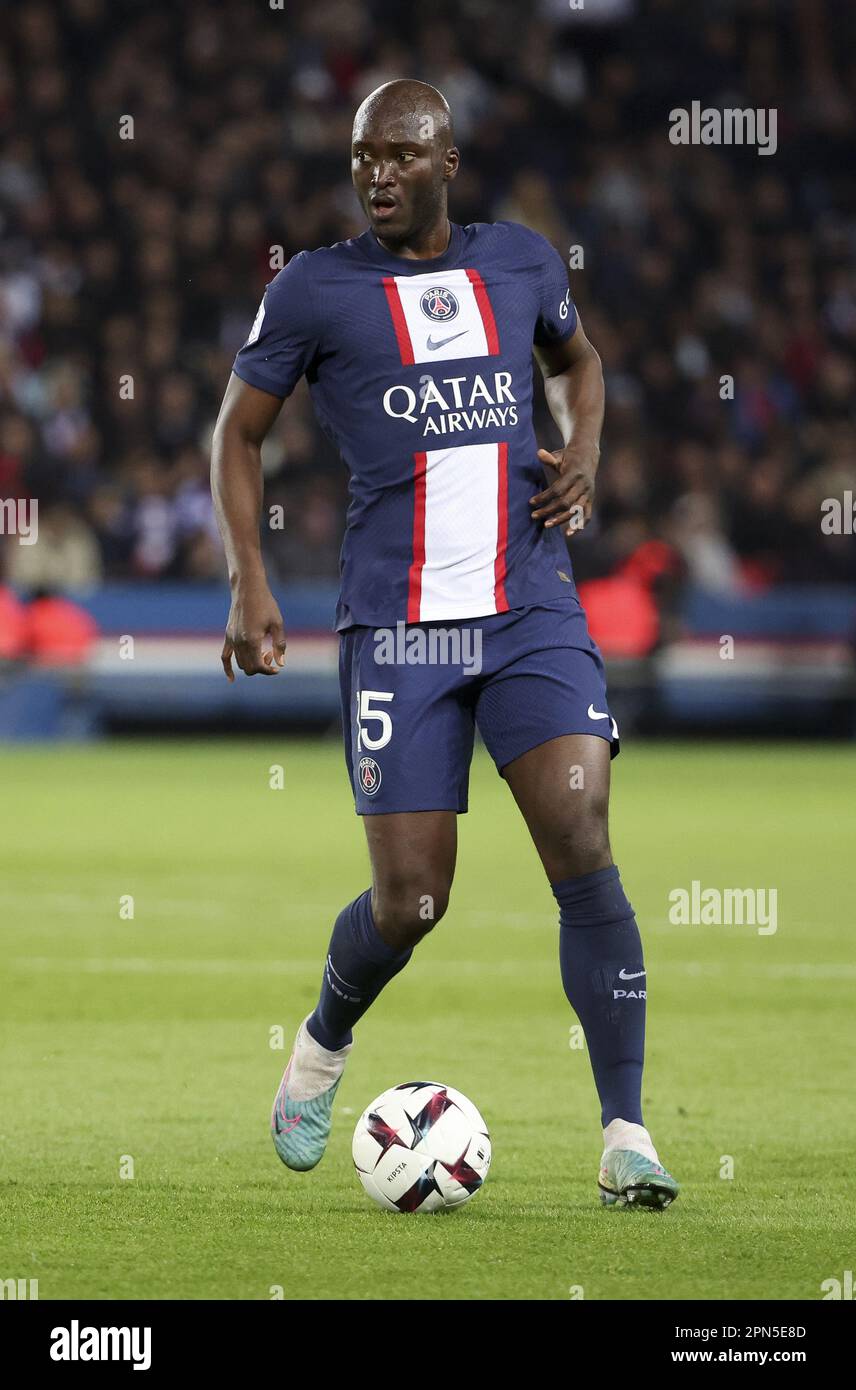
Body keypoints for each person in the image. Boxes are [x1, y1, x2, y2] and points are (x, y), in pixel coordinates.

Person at [211, 79, 679, 1210]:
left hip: (529, 609)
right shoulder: (316, 289)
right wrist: (249, 579)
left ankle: (625, 1132)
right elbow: (237, 432)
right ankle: (320, 1049)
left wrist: (585, 455)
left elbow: (581, 364)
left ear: (446, 161)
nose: (376, 174)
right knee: (412, 902)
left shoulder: (519, 262)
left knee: (579, 833)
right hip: (399, 628)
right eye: (362, 156)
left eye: (400, 155)